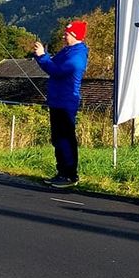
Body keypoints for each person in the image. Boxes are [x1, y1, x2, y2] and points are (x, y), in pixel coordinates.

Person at [31, 19, 88, 188]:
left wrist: (42, 56)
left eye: (67, 34)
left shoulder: (77, 56)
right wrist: (42, 56)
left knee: (65, 138)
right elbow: (53, 64)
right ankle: (61, 172)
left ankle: (69, 175)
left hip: (66, 101)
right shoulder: (68, 51)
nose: (64, 36)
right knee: (58, 138)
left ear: (75, 35)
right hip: (57, 100)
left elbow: (57, 71)